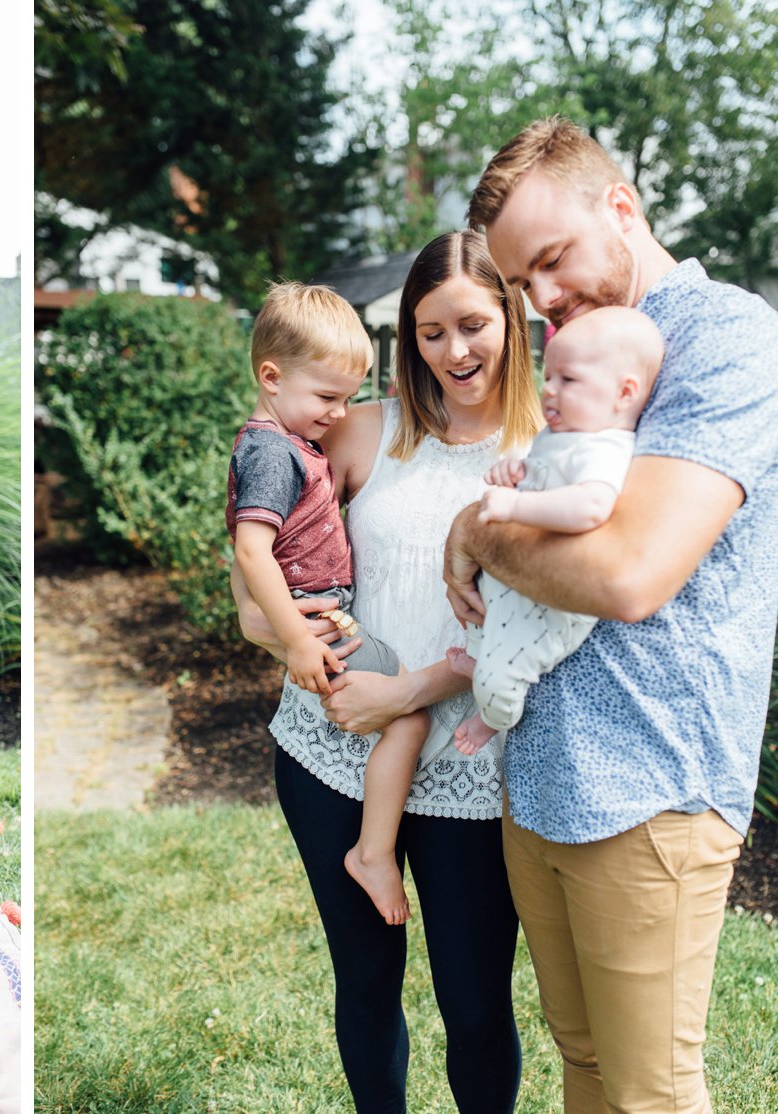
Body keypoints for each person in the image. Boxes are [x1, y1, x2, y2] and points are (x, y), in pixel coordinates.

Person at [444, 116, 778, 1113]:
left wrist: (478, 526)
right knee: (582, 1065)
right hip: (545, 775)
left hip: (652, 785)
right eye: (521, 284)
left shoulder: (724, 338)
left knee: (650, 1093)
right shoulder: (587, 350)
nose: (541, 301)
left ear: (621, 209)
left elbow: (630, 571)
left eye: (552, 261)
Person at [233, 230, 540, 1113]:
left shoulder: (546, 454)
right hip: (332, 753)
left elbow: (536, 624)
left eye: (473, 325)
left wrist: (403, 694)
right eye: (431, 331)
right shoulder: (362, 428)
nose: (455, 351)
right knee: (366, 983)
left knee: (476, 1007)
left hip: (471, 775)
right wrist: (309, 655)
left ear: (511, 323)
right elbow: (260, 583)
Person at [228, 281, 430, 924]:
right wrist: (296, 639)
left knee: (400, 713)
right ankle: (373, 853)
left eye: (347, 397)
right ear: (271, 376)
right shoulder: (269, 453)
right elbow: (252, 553)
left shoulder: (292, 444)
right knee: (410, 716)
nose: (341, 413)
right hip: (318, 618)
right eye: (327, 397)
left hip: (321, 614)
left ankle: (373, 848)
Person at [448, 306, 664, 754]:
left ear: (624, 393)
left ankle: (491, 716)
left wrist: (518, 504)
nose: (549, 390)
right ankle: (483, 664)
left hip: (555, 608)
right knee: (488, 624)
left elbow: (590, 505)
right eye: (548, 376)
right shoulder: (563, 433)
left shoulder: (605, 447)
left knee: (505, 675)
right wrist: (517, 471)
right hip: (522, 588)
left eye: (568, 380)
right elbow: (544, 471)